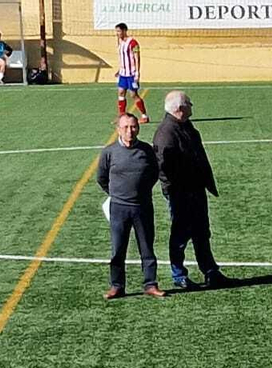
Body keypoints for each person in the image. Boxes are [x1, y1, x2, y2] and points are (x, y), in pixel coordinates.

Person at [154, 90, 231, 290]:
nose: (191, 106)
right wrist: (174, 190)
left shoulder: (183, 126)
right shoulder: (166, 133)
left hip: (195, 189)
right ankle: (179, 275)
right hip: (182, 193)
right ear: (180, 108)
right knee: (180, 235)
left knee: (201, 232)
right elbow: (163, 167)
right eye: (188, 103)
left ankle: (210, 271)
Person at [97, 113, 163, 300]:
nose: (130, 131)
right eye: (125, 127)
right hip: (118, 208)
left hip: (143, 207)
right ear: (118, 129)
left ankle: (150, 284)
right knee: (118, 249)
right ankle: (117, 286)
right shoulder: (109, 152)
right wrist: (117, 194)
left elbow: (154, 174)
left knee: (147, 248)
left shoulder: (147, 150)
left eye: (133, 127)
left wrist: (141, 191)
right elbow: (101, 178)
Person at [115, 23, 149, 123]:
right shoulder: (120, 42)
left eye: (119, 31)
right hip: (123, 73)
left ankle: (144, 116)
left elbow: (137, 57)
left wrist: (137, 73)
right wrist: (119, 70)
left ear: (125, 30)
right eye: (116, 31)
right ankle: (121, 116)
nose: (117, 33)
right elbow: (122, 58)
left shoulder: (133, 43)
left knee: (133, 94)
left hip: (131, 74)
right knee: (121, 92)